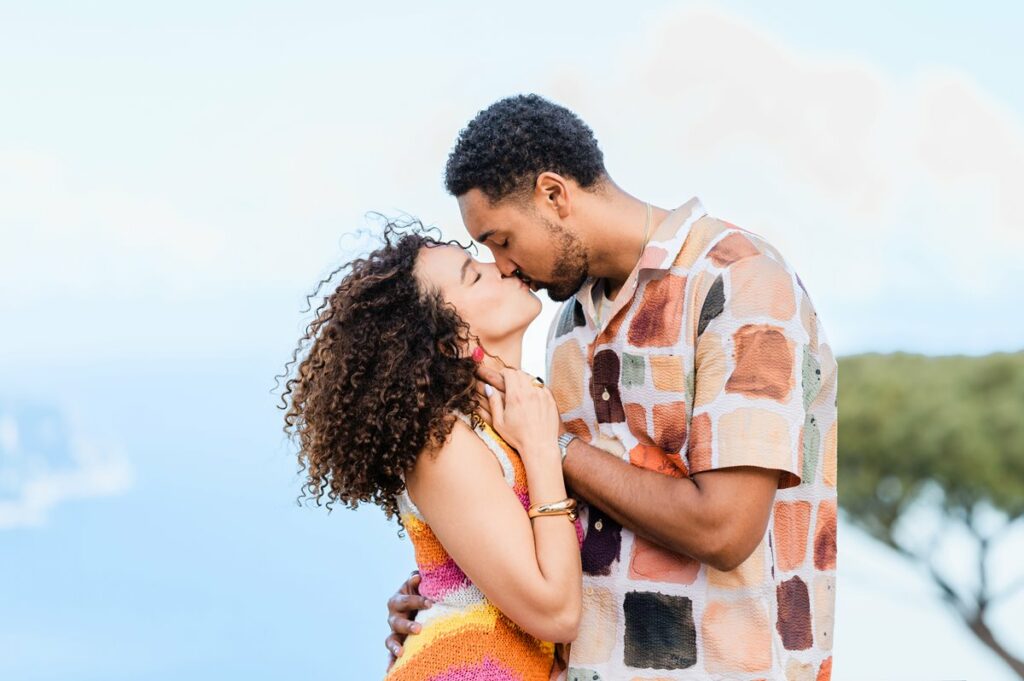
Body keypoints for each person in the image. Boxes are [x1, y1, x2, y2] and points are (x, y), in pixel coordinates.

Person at [386, 94, 838, 680]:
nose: (501, 265)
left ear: (554, 195)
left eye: (501, 240)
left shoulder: (739, 282)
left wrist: (552, 447)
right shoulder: (569, 324)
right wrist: (451, 594)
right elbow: (551, 521)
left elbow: (724, 529)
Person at [282, 224, 584, 680]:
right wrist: (544, 449)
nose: (499, 266)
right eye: (474, 275)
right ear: (451, 340)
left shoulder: (516, 421)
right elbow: (555, 614)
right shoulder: (441, 442)